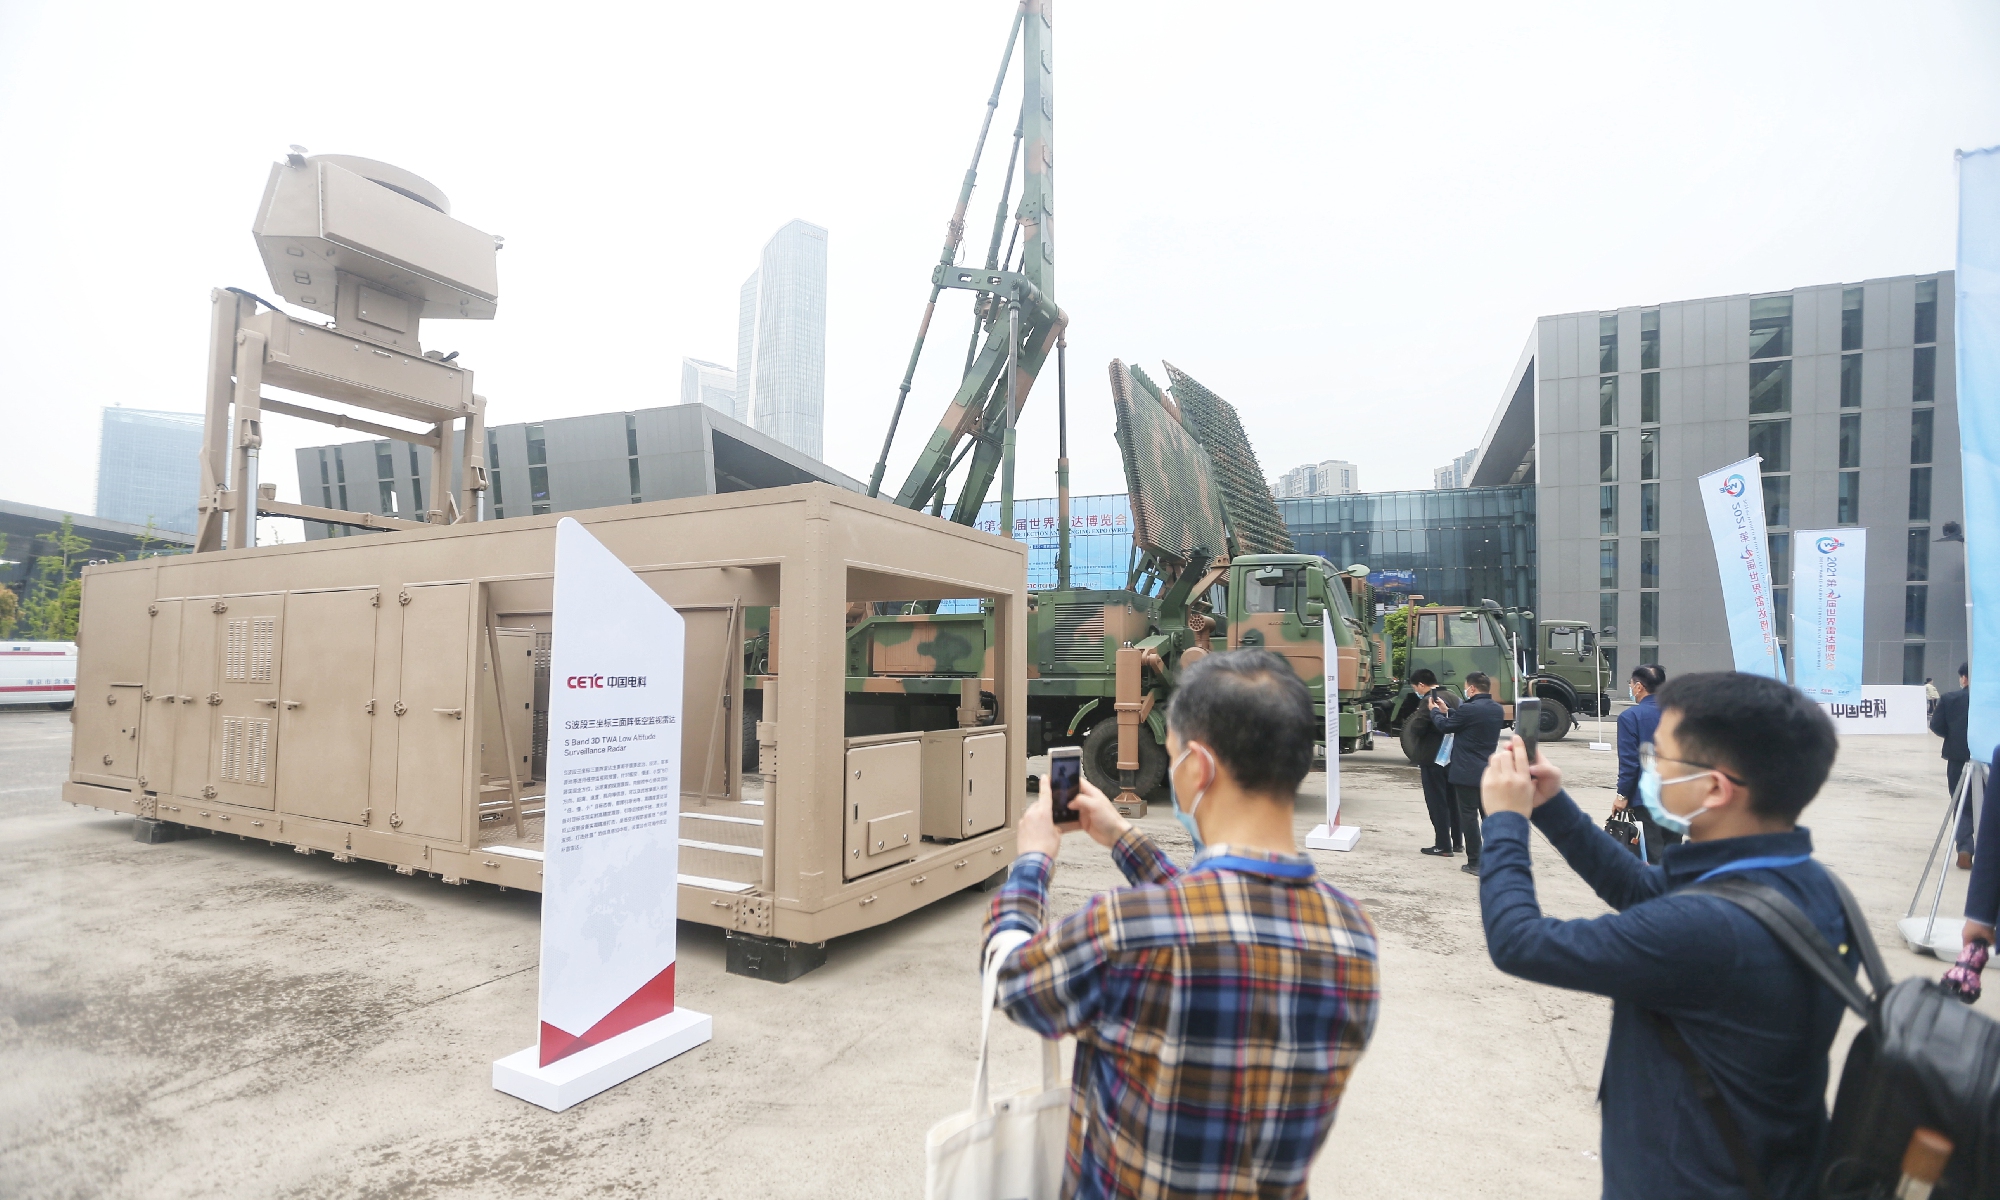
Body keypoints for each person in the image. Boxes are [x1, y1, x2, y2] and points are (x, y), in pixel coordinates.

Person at [984, 649, 1381, 1199]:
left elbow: (1012, 980)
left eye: (1171, 758)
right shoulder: (1353, 935)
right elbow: (1214, 913)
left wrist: (1032, 862)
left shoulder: (1124, 929)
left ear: (1197, 768)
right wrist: (1121, 836)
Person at [1479, 671, 1854, 1198]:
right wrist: (1550, 805)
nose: (1650, 770)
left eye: (1662, 760)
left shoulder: (1707, 929)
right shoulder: (1808, 882)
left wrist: (1504, 822)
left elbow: (1519, 942)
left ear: (1715, 788)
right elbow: (1639, 885)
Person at [1429, 670, 1503, 875]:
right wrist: (1449, 710)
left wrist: (1435, 712)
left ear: (1471, 688)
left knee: (1468, 817)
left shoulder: (1469, 709)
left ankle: (1475, 862)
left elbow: (1445, 727)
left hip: (1466, 772)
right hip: (1487, 771)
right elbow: (1468, 723)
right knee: (1487, 816)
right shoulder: (1496, 709)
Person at [1611, 664, 1676, 862]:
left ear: (1639, 687)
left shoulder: (1630, 717)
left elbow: (1630, 763)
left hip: (1647, 798)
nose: (1631, 688)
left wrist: (1622, 795)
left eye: (1631, 684)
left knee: (1653, 855)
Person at [1408, 669, 1462, 857]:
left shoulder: (1428, 700)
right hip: (1451, 757)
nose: (1416, 690)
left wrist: (1416, 717)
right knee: (1452, 801)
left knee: (1437, 802)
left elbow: (1418, 728)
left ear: (1421, 685)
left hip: (1432, 758)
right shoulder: (1453, 697)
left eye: (1415, 687)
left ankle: (1442, 845)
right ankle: (1457, 842)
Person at [1930, 664, 1973, 868]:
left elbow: (1936, 726)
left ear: (1964, 678)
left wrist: (1955, 735)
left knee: (1962, 804)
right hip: (1991, 759)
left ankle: (1964, 847)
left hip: (1959, 760)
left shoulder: (1950, 699)